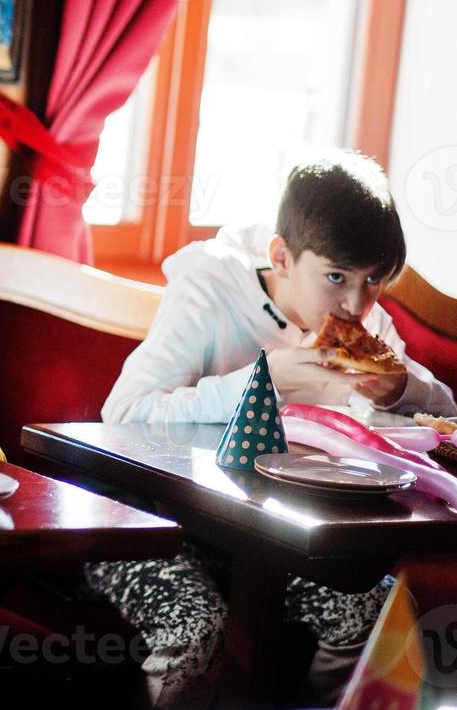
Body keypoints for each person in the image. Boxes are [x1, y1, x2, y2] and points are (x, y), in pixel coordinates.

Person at [93, 151, 453, 708]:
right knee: (196, 628)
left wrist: (402, 390)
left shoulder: (365, 321)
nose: (357, 303)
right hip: (153, 520)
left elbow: (441, 410)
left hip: (269, 537)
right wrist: (263, 380)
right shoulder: (209, 288)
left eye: (374, 280)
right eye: (336, 277)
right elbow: (125, 412)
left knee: (376, 610)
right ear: (282, 256)